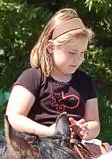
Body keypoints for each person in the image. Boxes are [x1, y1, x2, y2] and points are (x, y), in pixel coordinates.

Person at [6, 8, 100, 142]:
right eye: (72, 53)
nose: (79, 59)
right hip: (39, 146)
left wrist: (86, 129)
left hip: (78, 146)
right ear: (51, 48)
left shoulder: (86, 81)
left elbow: (94, 123)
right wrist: (49, 132)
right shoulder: (32, 77)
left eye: (83, 53)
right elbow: (13, 117)